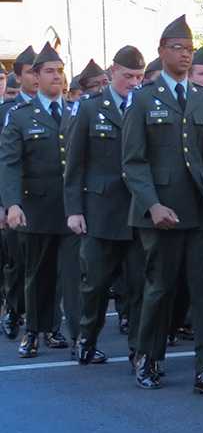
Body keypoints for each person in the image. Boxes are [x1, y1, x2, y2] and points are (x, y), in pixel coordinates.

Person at [121, 14, 203, 394]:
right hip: (161, 212)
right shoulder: (144, 99)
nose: (184, 55)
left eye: (189, 49)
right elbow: (133, 160)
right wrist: (152, 205)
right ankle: (148, 358)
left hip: (199, 211)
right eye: (177, 48)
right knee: (159, 288)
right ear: (161, 51)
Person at [63, 45, 147, 366]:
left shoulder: (145, 106)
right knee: (95, 284)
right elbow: (75, 164)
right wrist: (74, 209)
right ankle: (87, 337)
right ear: (113, 73)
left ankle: (138, 348)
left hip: (138, 211)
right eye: (128, 76)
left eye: (139, 77)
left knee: (140, 284)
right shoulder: (89, 109)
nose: (134, 82)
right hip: (101, 210)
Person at [0, 43, 70, 357]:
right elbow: (9, 163)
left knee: (62, 274)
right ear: (36, 77)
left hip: (71, 208)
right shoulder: (20, 116)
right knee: (36, 273)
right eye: (50, 72)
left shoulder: (76, 111)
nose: (57, 77)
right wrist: (11, 203)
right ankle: (32, 331)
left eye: (60, 71)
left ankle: (54, 329)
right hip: (36, 207)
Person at [0, 46, 38, 341]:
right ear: (18, 76)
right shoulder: (6, 113)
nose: (37, 78)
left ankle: (44, 324)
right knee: (18, 262)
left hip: (45, 200)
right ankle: (14, 308)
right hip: (15, 199)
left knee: (47, 265)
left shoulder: (58, 108)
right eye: (31, 72)